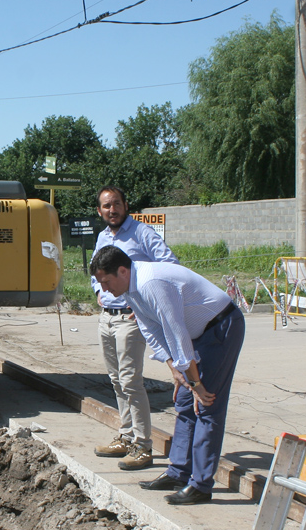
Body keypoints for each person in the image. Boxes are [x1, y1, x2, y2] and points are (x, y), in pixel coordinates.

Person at [89, 245, 245, 505]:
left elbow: (176, 332)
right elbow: (151, 329)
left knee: (206, 403)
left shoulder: (152, 283)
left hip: (220, 328)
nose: (104, 290)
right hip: (197, 336)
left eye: (106, 282)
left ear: (123, 271)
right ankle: (179, 472)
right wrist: (175, 369)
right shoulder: (131, 289)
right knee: (184, 402)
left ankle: (201, 485)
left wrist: (194, 382)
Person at [89, 186, 180, 471]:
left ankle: (143, 445)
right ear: (99, 211)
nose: (112, 210)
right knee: (116, 381)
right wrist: (97, 293)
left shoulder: (142, 233)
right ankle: (126, 436)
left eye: (116, 204)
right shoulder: (103, 237)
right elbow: (96, 272)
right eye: (106, 206)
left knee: (131, 381)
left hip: (131, 318)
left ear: (125, 205)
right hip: (107, 317)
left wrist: (141, 302)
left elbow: (169, 264)